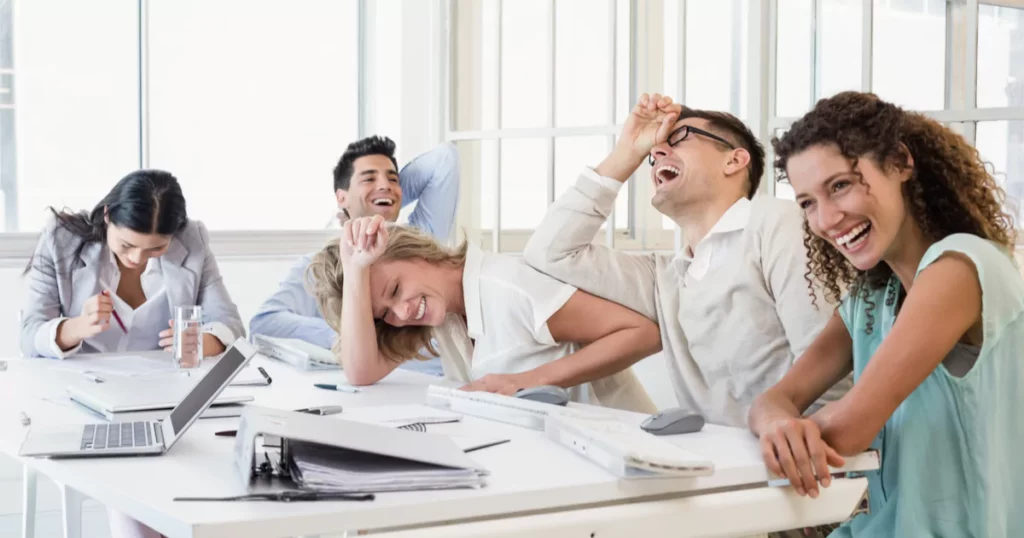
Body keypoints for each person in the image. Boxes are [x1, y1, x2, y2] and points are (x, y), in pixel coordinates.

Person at [748, 91, 1024, 537]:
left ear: (900, 163)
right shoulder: (873, 295)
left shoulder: (962, 266)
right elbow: (772, 400)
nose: (827, 218)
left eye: (839, 186)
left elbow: (850, 428)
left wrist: (788, 438)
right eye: (807, 203)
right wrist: (778, 424)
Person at [523, 94, 848, 426]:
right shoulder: (668, 277)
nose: (658, 151)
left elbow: (831, 369)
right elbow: (550, 252)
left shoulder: (777, 222)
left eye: (678, 138)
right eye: (652, 153)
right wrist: (626, 154)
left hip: (796, 464)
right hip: (721, 468)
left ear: (734, 161)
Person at [19, 169, 245, 538]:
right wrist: (76, 326)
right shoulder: (61, 239)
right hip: (86, 405)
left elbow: (229, 322)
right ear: (107, 216)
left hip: (168, 402)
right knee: (138, 478)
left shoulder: (193, 238)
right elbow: (29, 335)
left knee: (215, 467)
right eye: (126, 245)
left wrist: (203, 341)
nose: (138, 259)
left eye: (156, 248)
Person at [306, 214, 660, 413]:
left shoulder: (508, 288)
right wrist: (356, 269)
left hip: (627, 460)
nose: (402, 312)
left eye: (396, 290)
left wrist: (528, 381)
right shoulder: (445, 315)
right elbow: (360, 372)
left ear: (418, 253)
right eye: (386, 315)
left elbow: (643, 332)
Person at [249, 136, 459, 375]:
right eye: (368, 178)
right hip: (383, 389)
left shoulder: (420, 245)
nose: (385, 184)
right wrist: (352, 336)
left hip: (453, 380)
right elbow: (263, 324)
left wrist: (386, 198)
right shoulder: (320, 269)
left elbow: (445, 159)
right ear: (341, 197)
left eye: (393, 178)